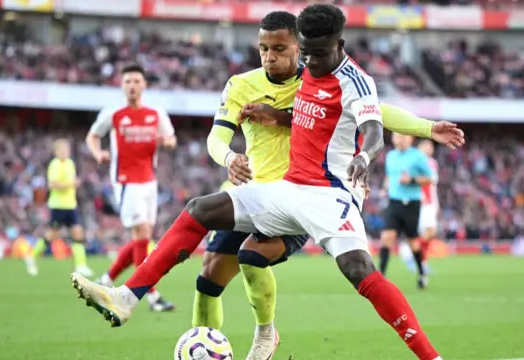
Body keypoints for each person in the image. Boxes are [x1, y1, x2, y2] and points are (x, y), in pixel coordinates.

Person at [71, 5, 463, 360]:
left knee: (359, 269)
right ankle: (126, 297)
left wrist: (382, 147)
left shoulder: (355, 82)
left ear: (339, 45)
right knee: (200, 212)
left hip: (330, 196)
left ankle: (431, 357)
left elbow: (375, 124)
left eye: (315, 53)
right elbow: (304, 112)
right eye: (304, 53)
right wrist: (274, 120)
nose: (309, 62)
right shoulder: (304, 68)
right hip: (287, 188)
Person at [86, 64, 177, 312]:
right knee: (142, 238)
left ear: (144, 85)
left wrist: (167, 142)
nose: (132, 85)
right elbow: (93, 136)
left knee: (142, 239)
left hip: (149, 181)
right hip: (126, 181)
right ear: (122, 85)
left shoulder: (156, 113)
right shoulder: (114, 113)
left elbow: (171, 137)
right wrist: (97, 154)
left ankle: (105, 281)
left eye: (136, 81)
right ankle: (152, 298)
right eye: (127, 81)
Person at [24, 138, 92, 277]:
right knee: (51, 235)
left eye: (67, 149)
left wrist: (74, 183)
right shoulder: (54, 165)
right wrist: (71, 184)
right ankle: (31, 255)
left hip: (71, 205)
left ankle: (81, 265)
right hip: (58, 206)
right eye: (62, 150)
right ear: (56, 152)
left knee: (78, 233)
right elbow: (52, 184)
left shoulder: (70, 163)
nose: (65, 152)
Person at [379, 134, 432, 289]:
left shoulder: (417, 156)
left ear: (410, 139)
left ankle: (421, 273)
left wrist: (413, 180)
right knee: (386, 237)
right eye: (397, 136)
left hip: (412, 203)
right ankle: (380, 277)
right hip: (394, 201)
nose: (399, 138)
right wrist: (385, 188)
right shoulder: (390, 156)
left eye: (403, 136)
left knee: (413, 241)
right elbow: (390, 176)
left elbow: (430, 178)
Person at [417, 139, 439, 272]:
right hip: (421, 202)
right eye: (425, 146)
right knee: (430, 231)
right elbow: (416, 181)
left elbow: (433, 186)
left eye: (430, 146)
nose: (428, 148)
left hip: (431, 203)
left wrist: (437, 203)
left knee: (430, 233)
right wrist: (420, 196)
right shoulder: (417, 163)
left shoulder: (433, 163)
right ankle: (409, 251)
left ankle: (422, 262)